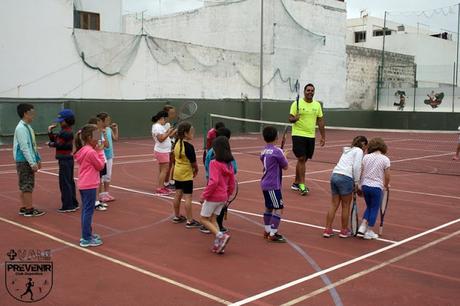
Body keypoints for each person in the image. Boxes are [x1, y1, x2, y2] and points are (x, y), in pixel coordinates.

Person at [323, 136, 368, 238]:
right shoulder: (359, 151)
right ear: (363, 144)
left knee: (334, 204)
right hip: (346, 178)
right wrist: (357, 182)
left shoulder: (347, 150)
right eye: (366, 146)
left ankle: (327, 229)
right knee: (346, 205)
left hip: (334, 175)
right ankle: (343, 230)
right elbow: (357, 167)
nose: (366, 149)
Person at [288, 83, 325, 196]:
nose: (310, 92)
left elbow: (320, 121)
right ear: (304, 92)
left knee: (303, 160)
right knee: (301, 158)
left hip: (310, 136)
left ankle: (295, 182)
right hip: (298, 134)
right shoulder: (296, 104)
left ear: (314, 92)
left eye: (312, 90)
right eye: (308, 90)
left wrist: (323, 136)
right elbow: (290, 118)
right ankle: (302, 185)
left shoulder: (317, 105)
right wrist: (295, 118)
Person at [199, 136, 235, 254]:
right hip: (223, 197)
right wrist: (227, 195)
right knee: (213, 219)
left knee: (203, 219)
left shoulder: (214, 163)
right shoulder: (229, 164)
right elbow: (232, 183)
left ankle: (221, 236)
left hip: (213, 197)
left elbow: (213, 181)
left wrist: (204, 195)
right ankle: (218, 244)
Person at [74, 124, 106, 247]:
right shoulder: (91, 152)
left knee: (86, 210)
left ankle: (87, 234)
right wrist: (100, 151)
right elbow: (100, 166)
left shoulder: (83, 150)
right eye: (96, 136)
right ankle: (86, 238)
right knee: (88, 211)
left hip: (84, 183)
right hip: (90, 184)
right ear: (88, 137)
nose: (98, 139)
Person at [13, 103, 45, 217]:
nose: (34, 115)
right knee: (27, 185)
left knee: (25, 184)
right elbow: (24, 147)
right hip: (24, 160)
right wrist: (32, 163)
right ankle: (29, 209)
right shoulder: (21, 128)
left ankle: (24, 207)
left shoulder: (28, 127)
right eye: (32, 112)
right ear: (25, 113)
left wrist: (38, 159)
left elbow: (33, 145)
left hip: (28, 160)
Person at [357, 138, 390, 240]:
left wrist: (359, 184)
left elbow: (361, 171)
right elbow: (387, 175)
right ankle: (369, 231)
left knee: (370, 206)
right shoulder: (385, 159)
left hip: (365, 186)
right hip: (376, 187)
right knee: (374, 208)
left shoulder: (366, 157)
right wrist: (386, 185)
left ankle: (362, 227)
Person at [47, 108, 79, 213]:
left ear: (68, 120)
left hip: (65, 159)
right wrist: (50, 132)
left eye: (62, 121)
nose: (60, 123)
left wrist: (50, 144)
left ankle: (68, 205)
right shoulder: (65, 131)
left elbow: (58, 143)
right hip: (67, 159)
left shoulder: (66, 132)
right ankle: (73, 203)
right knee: (69, 181)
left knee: (65, 182)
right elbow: (56, 140)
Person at [261, 126, 289, 242]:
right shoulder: (277, 151)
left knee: (269, 207)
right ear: (276, 137)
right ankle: (273, 232)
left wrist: (281, 155)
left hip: (265, 183)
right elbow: (285, 166)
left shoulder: (263, 151)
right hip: (273, 184)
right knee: (278, 208)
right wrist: (284, 155)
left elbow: (270, 162)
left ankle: (267, 230)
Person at [171, 122, 201, 228]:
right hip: (186, 174)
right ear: (185, 133)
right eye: (191, 132)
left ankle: (177, 216)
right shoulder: (189, 147)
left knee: (178, 194)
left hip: (177, 173)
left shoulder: (176, 143)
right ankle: (190, 221)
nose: (193, 134)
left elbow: (174, 159)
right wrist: (196, 170)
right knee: (188, 197)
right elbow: (194, 163)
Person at [151, 111, 176, 195]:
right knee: (164, 171)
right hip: (162, 151)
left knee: (163, 170)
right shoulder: (157, 127)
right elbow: (161, 139)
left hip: (164, 150)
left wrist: (171, 131)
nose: (165, 121)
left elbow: (167, 136)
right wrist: (168, 132)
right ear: (162, 118)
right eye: (165, 119)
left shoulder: (160, 126)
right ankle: (160, 188)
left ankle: (162, 187)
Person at [97, 112, 119, 202]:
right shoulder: (97, 131)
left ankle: (106, 193)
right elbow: (97, 145)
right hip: (101, 157)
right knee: (100, 177)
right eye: (107, 120)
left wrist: (116, 129)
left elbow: (116, 138)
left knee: (108, 175)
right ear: (102, 121)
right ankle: (101, 195)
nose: (109, 121)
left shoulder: (109, 129)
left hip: (109, 156)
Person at [88, 117, 108, 211]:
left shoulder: (99, 132)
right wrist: (102, 144)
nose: (101, 124)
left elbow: (105, 145)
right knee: (97, 181)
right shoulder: (96, 133)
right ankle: (95, 201)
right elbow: (98, 146)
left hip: (101, 159)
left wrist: (104, 137)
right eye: (99, 122)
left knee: (100, 180)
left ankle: (99, 200)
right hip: (98, 159)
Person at [163, 105, 177, 189]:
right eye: (171, 113)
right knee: (169, 165)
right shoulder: (166, 124)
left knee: (174, 164)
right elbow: (168, 136)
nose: (173, 114)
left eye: (174, 113)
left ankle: (172, 181)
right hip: (169, 147)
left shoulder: (167, 123)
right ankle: (166, 182)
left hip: (172, 145)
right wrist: (175, 131)